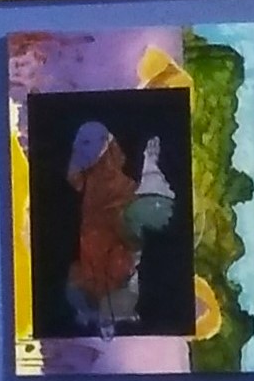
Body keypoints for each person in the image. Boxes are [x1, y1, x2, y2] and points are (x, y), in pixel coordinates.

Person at [62, 119, 178, 336]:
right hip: (94, 257)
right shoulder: (94, 186)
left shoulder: (124, 190)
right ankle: (100, 309)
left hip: (116, 264)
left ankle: (109, 309)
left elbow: (138, 229)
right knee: (83, 284)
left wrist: (150, 166)